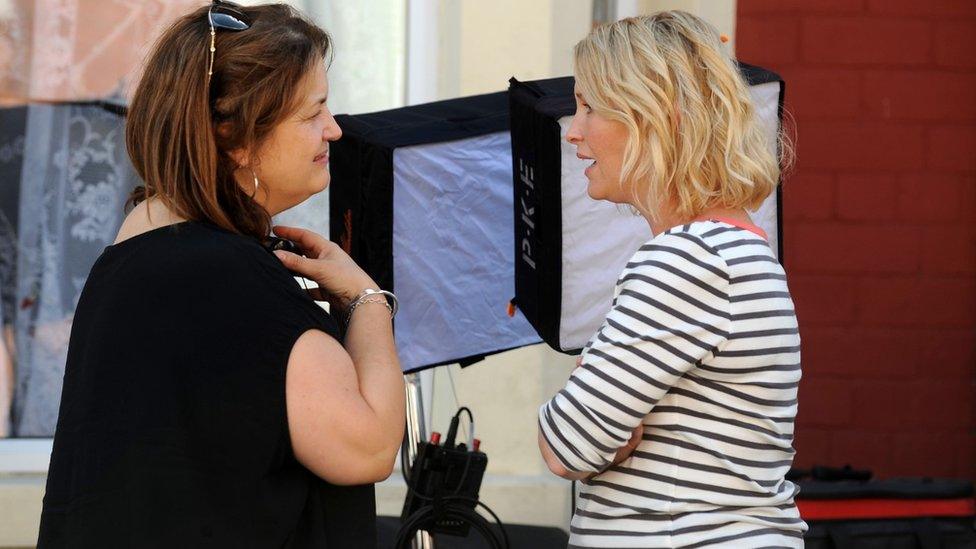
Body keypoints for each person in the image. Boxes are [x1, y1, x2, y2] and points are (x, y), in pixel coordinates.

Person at [37, 2, 405, 547]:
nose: (333, 130)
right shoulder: (230, 279)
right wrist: (366, 299)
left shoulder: (131, 253)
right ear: (234, 136)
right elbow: (369, 446)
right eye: (313, 113)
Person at [537, 11, 805, 548]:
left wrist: (594, 393)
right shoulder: (735, 250)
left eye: (590, 107)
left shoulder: (687, 259)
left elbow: (567, 444)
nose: (573, 131)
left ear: (661, 118)